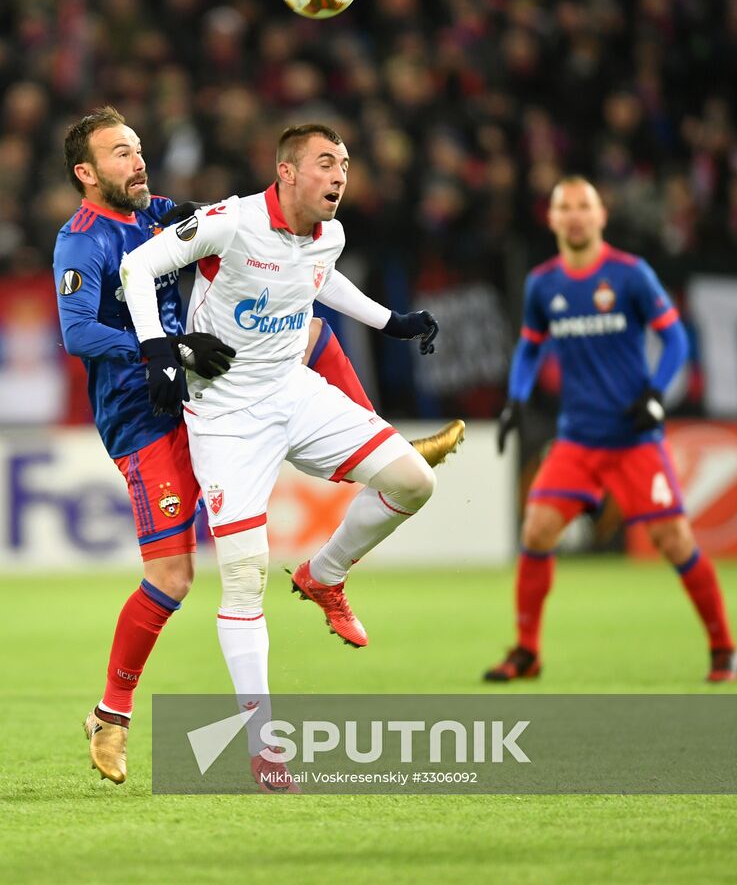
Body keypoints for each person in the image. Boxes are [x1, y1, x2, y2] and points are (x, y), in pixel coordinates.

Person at [54, 109, 462, 786]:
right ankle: (112, 714)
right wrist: (160, 349)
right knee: (174, 578)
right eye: (121, 154)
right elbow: (76, 335)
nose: (139, 162)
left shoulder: (151, 210)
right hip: (147, 412)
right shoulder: (82, 242)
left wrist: (388, 320)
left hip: (204, 377)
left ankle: (368, 442)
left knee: (300, 330)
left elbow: (284, 254)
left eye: (139, 148)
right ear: (86, 172)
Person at [485, 175, 737, 684]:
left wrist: (656, 393)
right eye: (566, 207)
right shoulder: (543, 283)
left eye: (585, 206)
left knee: (673, 540)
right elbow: (532, 346)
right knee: (536, 530)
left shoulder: (630, 275)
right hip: (578, 438)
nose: (576, 216)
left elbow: (675, 342)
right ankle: (527, 651)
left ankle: (724, 648)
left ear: (601, 215)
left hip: (633, 440)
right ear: (552, 218)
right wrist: (516, 397)